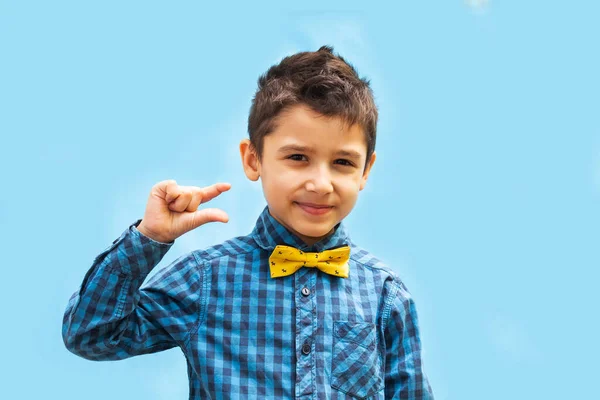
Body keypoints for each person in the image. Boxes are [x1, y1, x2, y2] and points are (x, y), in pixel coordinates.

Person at [62, 45, 434, 399]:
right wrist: (149, 237)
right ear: (253, 159)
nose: (320, 184)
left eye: (343, 162)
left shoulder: (385, 294)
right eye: (298, 157)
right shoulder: (205, 279)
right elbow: (91, 335)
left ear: (365, 170)